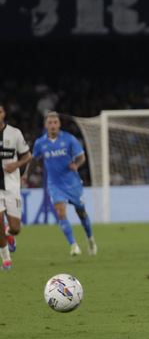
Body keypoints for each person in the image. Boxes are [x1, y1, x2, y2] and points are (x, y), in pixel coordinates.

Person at [22, 111, 97, 256]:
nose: (53, 125)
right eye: (50, 123)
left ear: (59, 124)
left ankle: (90, 238)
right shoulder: (40, 143)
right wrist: (25, 175)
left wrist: (76, 165)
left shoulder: (69, 139)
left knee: (81, 212)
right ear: (46, 125)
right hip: (55, 184)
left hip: (72, 182)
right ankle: (73, 245)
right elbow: (34, 161)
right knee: (61, 212)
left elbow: (82, 157)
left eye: (55, 123)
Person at [0, 103, 32, 270]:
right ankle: (6, 260)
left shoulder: (14, 133)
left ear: (4, 113)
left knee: (15, 228)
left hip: (11, 186)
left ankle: (9, 233)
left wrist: (16, 165)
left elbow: (28, 156)